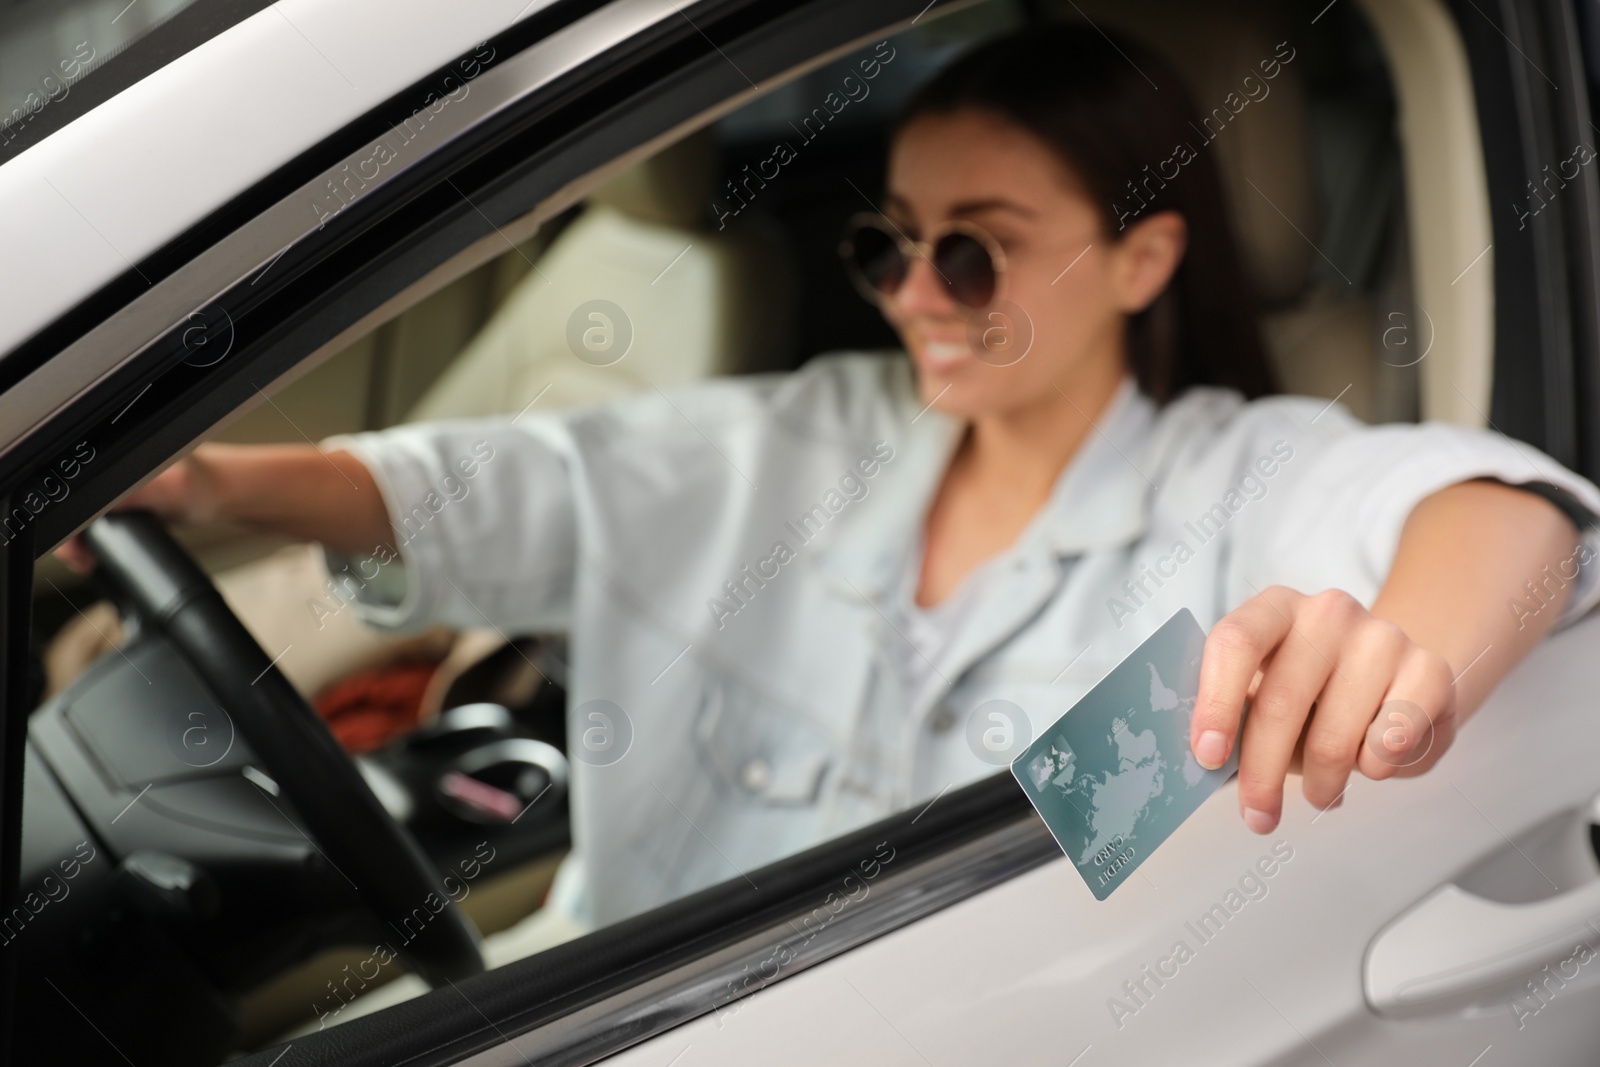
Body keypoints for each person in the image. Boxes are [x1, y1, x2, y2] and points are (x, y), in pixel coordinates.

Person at [60, 24, 1600, 933]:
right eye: (888, 246)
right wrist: (213, 486)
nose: (916, 290)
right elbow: (520, 486)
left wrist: (1401, 661)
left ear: (1144, 254)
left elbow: (1503, 520)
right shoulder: (805, 443)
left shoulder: (1244, 476)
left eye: (973, 246)